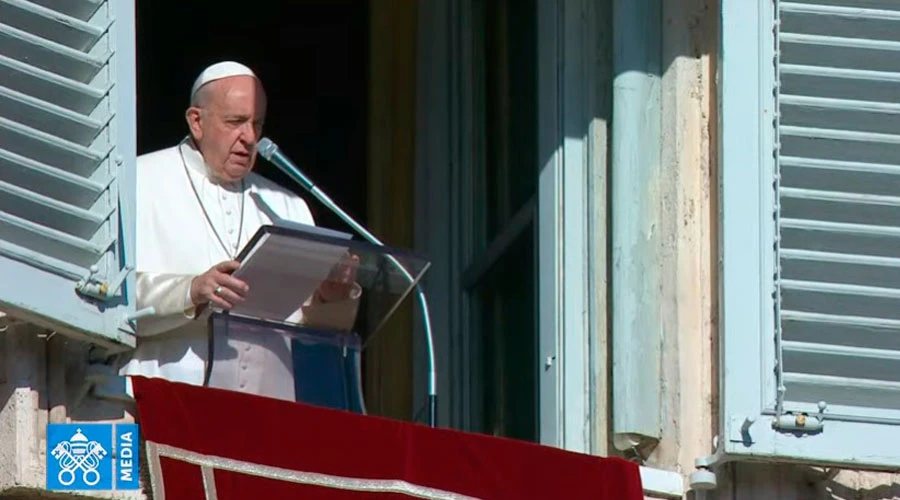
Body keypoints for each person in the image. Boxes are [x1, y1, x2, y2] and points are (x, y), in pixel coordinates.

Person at [118, 61, 361, 401]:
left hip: (267, 405)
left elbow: (311, 333)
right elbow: (110, 298)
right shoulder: (139, 182)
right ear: (196, 121)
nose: (249, 138)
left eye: (256, 124)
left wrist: (329, 298)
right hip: (168, 393)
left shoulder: (286, 205)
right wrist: (191, 290)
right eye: (234, 122)